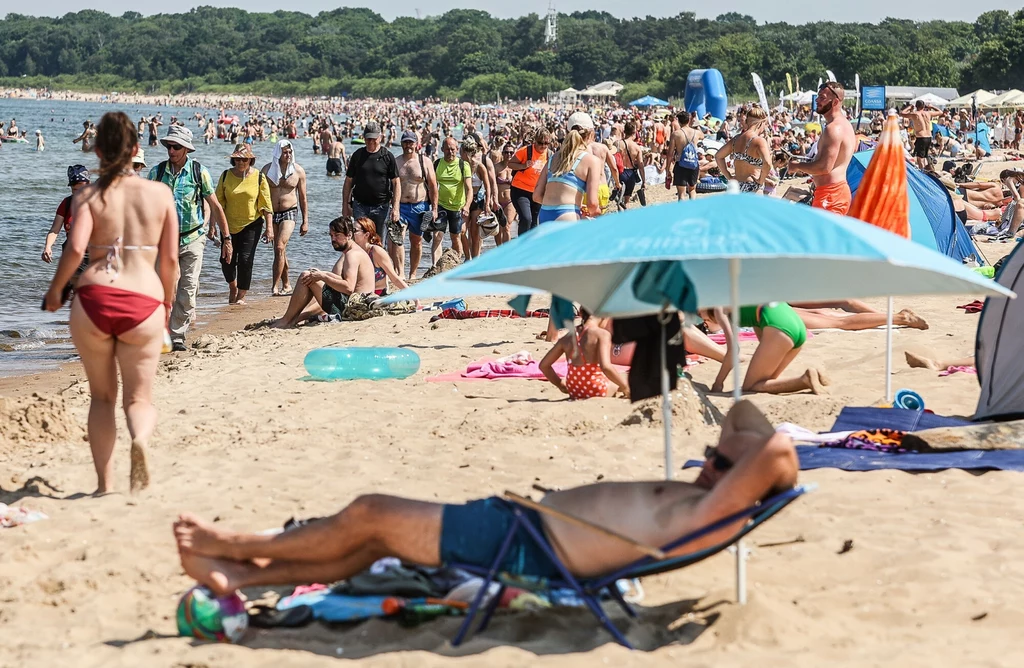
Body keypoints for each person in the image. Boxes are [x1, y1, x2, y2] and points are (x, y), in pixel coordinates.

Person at [172, 400, 798, 595]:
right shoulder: (708, 501)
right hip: (526, 532)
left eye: (719, 463)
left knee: (369, 514)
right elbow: (743, 416)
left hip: (525, 545)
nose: (709, 463)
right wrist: (733, 460)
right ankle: (241, 575)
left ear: (742, 482)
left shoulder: (710, 510)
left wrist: (745, 466)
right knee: (370, 542)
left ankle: (231, 544)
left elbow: (772, 451)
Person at [42, 111, 179, 495]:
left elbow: (75, 248)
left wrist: (56, 292)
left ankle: (104, 485)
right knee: (139, 398)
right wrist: (165, 306)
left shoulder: (87, 195)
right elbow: (169, 261)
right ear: (137, 149)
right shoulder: (159, 194)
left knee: (102, 397)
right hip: (143, 300)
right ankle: (140, 440)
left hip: (94, 299)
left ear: (98, 150)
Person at [149, 125, 229, 352]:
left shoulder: (198, 172)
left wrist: (227, 238)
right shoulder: (156, 173)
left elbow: (215, 206)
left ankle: (177, 336)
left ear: (186, 149)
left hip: (193, 238)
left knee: (188, 290)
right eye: (169, 146)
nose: (170, 150)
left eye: (176, 147)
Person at [703, 303, 830, 395]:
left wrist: (718, 383)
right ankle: (816, 376)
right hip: (796, 324)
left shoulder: (718, 307)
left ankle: (804, 380)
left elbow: (733, 351)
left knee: (751, 386)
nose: (702, 319)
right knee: (765, 382)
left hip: (779, 327)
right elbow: (760, 327)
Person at [272, 216, 376, 329]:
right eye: (331, 235)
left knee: (306, 276)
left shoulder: (352, 255)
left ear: (349, 235)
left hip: (354, 309)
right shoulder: (353, 252)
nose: (333, 239)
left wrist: (322, 276)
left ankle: (287, 320)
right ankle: (291, 318)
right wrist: (323, 274)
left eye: (337, 235)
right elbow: (347, 282)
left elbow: (349, 287)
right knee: (311, 274)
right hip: (358, 304)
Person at [216, 144, 273, 305]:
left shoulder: (259, 177)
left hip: (252, 224)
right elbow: (218, 203)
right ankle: (233, 287)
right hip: (228, 224)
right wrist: (212, 226)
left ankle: (241, 295)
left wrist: (269, 228)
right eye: (237, 159)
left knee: (246, 260)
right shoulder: (226, 176)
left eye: (244, 160)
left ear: (250, 160)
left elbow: (266, 204)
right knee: (226, 260)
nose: (240, 163)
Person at [788, 82, 856, 215]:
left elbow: (824, 167)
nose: (817, 101)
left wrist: (797, 166)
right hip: (831, 192)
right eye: (818, 97)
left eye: (822, 98)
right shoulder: (842, 125)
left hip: (831, 194)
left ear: (835, 101)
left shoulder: (834, 128)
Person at [539, 310, 630, 400]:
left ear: (581, 314)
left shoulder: (568, 337)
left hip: (573, 389)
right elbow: (606, 367)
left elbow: (544, 365)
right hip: (596, 388)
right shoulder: (602, 334)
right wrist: (625, 386)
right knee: (619, 386)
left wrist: (560, 384)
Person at [261, 140, 308, 296]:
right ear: (278, 153)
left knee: (280, 247)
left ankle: (274, 286)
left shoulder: (298, 171)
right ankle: (287, 284)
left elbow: (303, 198)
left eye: (289, 152)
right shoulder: (267, 170)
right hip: (271, 213)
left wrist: (305, 221)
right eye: (284, 152)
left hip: (290, 211)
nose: (288, 155)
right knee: (279, 251)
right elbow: (261, 196)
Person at [343, 121, 401, 244]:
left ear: (380, 137)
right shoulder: (358, 155)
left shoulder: (387, 156)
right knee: (359, 241)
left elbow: (396, 183)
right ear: (364, 138)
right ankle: (361, 263)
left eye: (374, 139)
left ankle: (377, 264)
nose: (371, 142)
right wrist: (345, 206)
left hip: (382, 207)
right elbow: (348, 182)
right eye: (368, 139)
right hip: (360, 206)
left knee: (378, 243)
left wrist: (396, 208)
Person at [395, 130, 438, 279]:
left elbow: (433, 186)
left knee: (416, 242)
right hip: (400, 206)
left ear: (416, 144)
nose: (408, 145)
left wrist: (434, 209)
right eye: (405, 142)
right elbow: (391, 186)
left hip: (419, 206)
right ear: (401, 143)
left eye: (411, 142)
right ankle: (400, 273)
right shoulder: (396, 161)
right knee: (396, 238)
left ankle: (412, 274)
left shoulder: (424, 161)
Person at [431, 136, 472, 265]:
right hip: (441, 206)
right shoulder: (437, 164)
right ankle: (435, 266)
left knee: (455, 237)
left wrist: (467, 206)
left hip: (456, 208)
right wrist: (433, 207)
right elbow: (431, 187)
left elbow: (469, 188)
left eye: (453, 149)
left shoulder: (463, 165)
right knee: (437, 236)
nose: (450, 152)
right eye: (448, 149)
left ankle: (456, 264)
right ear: (442, 149)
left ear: (457, 149)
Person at [715, 106, 772, 193]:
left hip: (736, 187)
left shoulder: (736, 139)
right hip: (752, 187)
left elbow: (718, 156)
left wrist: (729, 176)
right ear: (761, 123)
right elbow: (767, 163)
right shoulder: (759, 141)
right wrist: (761, 180)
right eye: (765, 124)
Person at [42, 165, 91, 265]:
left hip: (95, 255)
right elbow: (55, 230)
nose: (78, 193)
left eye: (81, 189)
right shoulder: (67, 203)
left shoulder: (98, 202)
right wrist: (48, 246)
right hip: (72, 254)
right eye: (74, 190)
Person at [352, 217, 411, 297]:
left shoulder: (376, 252)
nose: (350, 233)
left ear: (366, 234)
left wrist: (414, 298)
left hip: (377, 294)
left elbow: (395, 279)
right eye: (350, 230)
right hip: (357, 294)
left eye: (354, 230)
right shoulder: (352, 252)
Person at [507, 128, 551, 235]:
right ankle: (522, 244)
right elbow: (510, 164)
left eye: (546, 143)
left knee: (534, 222)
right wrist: (523, 165)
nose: (543, 146)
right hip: (520, 190)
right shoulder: (525, 151)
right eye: (541, 143)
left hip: (537, 192)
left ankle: (531, 247)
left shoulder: (549, 154)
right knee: (526, 218)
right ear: (535, 141)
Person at [460, 139, 493, 260]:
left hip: (477, 200)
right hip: (463, 200)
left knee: (474, 233)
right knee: (462, 231)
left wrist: (488, 203)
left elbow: (487, 186)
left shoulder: (479, 167)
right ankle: (467, 257)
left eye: (462, 151)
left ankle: (474, 259)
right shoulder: (460, 164)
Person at [665, 111, 705, 201]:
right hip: (693, 164)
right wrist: (696, 124)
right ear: (689, 120)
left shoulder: (676, 134)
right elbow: (703, 135)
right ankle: (692, 210)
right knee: (692, 190)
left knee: (681, 193)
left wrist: (668, 169)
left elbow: (670, 154)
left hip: (680, 164)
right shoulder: (696, 132)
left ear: (678, 121)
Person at [899, 100, 943, 170]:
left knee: (919, 158)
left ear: (916, 106)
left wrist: (909, 107)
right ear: (924, 106)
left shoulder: (915, 114)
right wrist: (932, 106)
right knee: (925, 156)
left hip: (921, 137)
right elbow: (941, 112)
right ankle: (927, 169)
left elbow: (901, 113)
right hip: (929, 137)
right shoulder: (928, 113)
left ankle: (922, 172)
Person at [615, 120, 647, 208]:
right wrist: (644, 181)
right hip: (630, 173)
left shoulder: (617, 144)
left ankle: (619, 208)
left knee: (619, 199)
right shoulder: (636, 147)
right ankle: (626, 216)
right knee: (627, 200)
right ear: (634, 132)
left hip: (619, 172)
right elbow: (641, 166)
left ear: (624, 131)